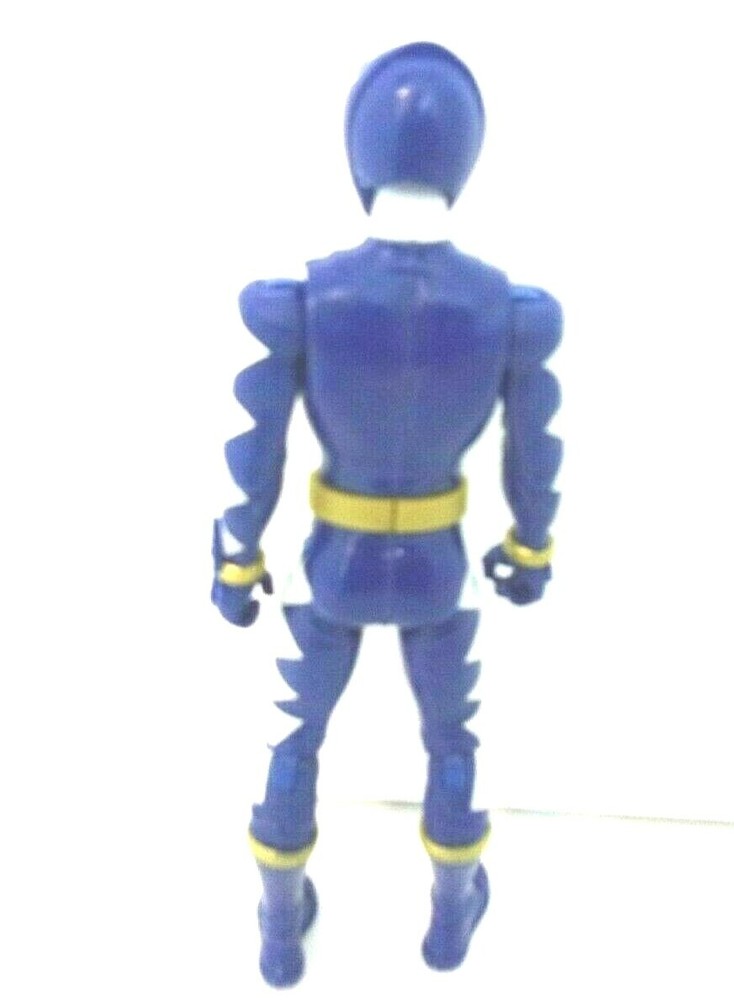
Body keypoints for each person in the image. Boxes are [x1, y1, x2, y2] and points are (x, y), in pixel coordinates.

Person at [212, 42, 562, 987]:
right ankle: (448, 923)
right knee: (450, 743)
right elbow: (532, 455)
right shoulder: (509, 310)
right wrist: (531, 548)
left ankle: (278, 931)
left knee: (294, 738)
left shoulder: (303, 301)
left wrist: (236, 557)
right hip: (439, 571)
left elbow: (255, 454)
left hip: (332, 565)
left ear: (360, 151)